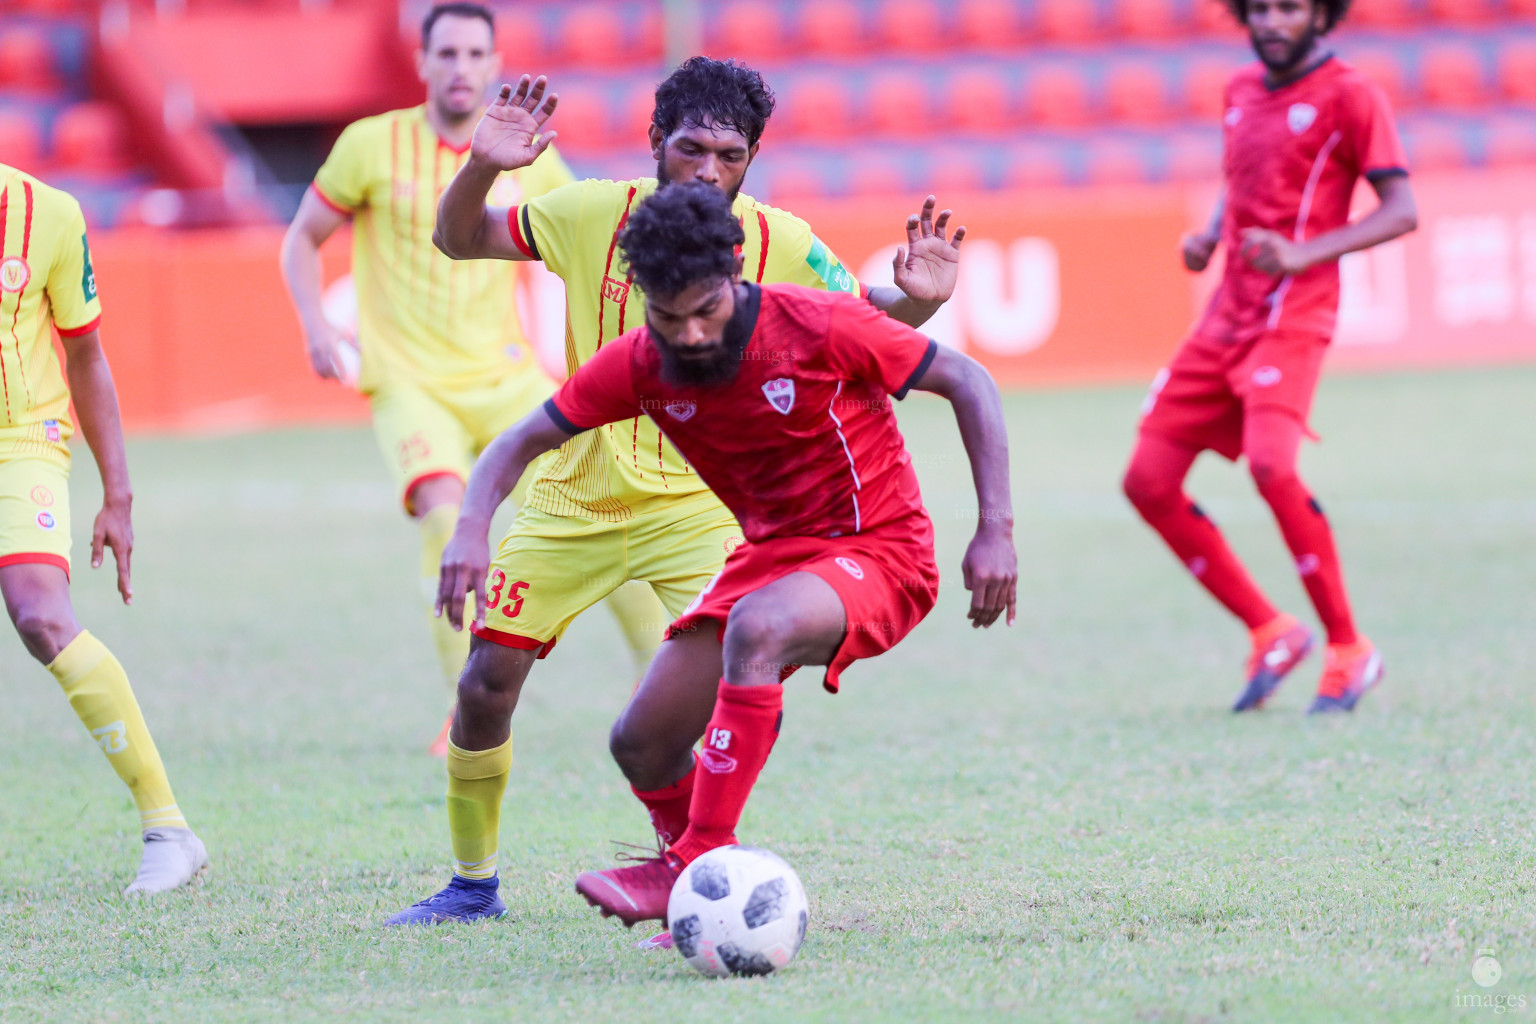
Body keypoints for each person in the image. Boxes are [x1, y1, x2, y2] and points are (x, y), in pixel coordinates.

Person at [386, 58, 964, 926]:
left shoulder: (783, 243)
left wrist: (916, 302)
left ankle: (700, 874)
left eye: (729, 156)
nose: (706, 170)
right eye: (689, 148)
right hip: (573, 498)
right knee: (483, 684)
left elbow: (869, 320)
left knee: (700, 694)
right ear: (656, 142)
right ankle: (473, 887)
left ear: (751, 160)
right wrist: (482, 165)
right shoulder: (590, 215)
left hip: (703, 507)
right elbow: (458, 239)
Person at [279, 2, 664, 756]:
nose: (459, 67)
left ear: (493, 65)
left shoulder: (531, 154)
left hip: (506, 379)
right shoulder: (369, 145)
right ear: (422, 63)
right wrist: (315, 325)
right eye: (446, 53)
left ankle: (658, 676)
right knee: (443, 520)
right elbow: (302, 238)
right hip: (410, 384)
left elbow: (586, 240)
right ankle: (467, 714)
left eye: (473, 54)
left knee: (601, 506)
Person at [1122, 0, 1417, 714]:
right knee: (1147, 481)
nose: (1272, 22)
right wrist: (1212, 236)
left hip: (1296, 312)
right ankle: (1270, 629)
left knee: (1272, 463)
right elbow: (1242, 184)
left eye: (1288, 8)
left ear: (1321, 14)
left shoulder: (1352, 94)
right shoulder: (1239, 90)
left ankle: (1350, 648)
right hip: (1228, 311)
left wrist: (1302, 253)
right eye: (1259, 9)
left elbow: (1401, 209)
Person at [0, 163, 207, 892]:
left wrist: (117, 494)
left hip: (19, 438)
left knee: (39, 613)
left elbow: (85, 353)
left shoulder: (47, 213)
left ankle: (168, 829)